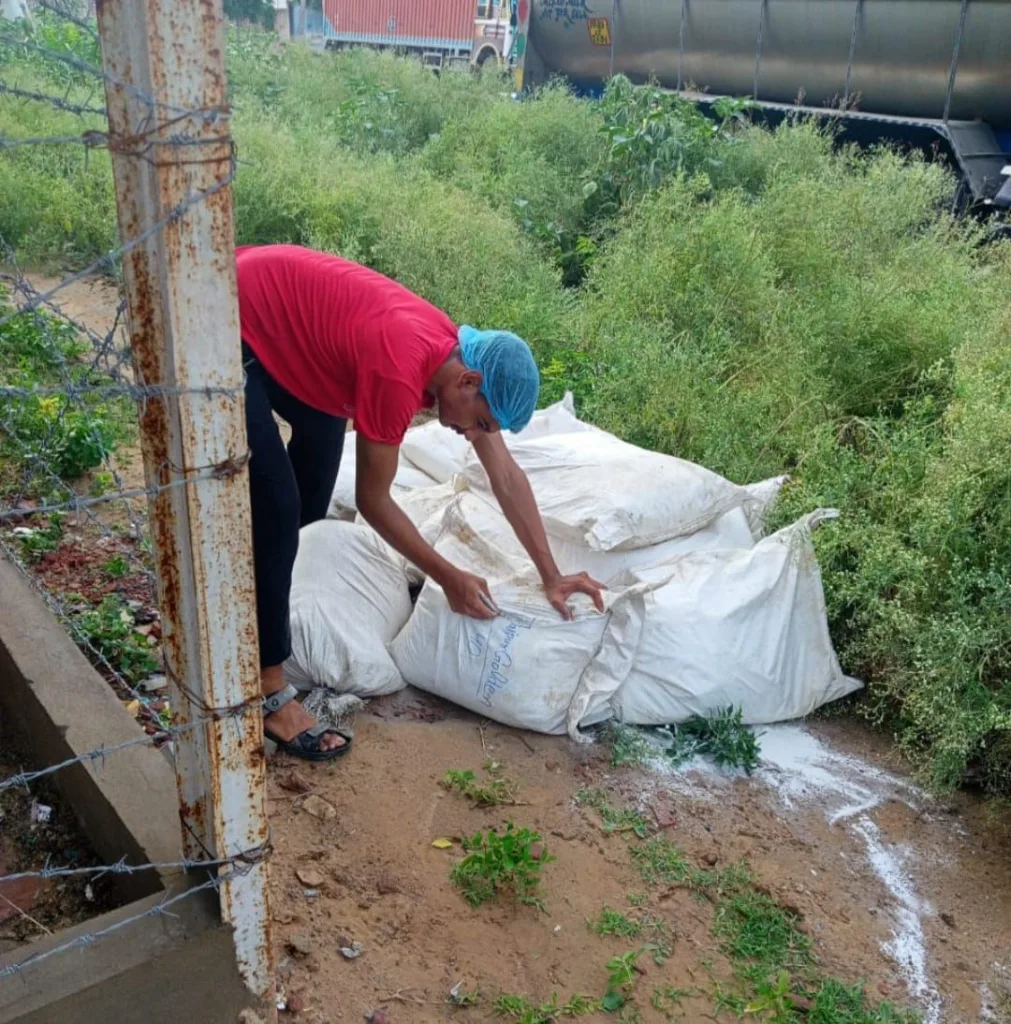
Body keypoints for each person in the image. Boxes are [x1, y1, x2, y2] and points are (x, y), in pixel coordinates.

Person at [237, 244, 605, 761]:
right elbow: (372, 500)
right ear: (469, 382)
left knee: (315, 479)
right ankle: (268, 689)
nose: (472, 435)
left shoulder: (452, 359)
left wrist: (551, 574)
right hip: (234, 317)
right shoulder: (400, 370)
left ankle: (262, 610)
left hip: (287, 330)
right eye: (480, 423)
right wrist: (448, 576)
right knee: (279, 504)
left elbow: (505, 474)